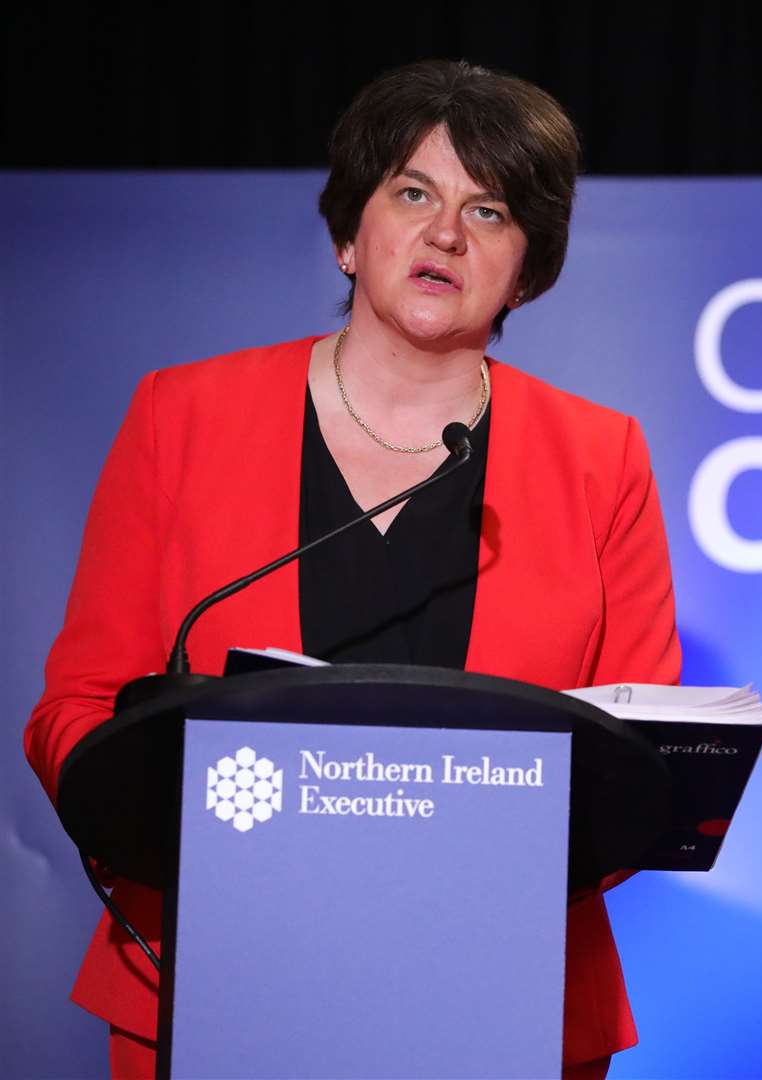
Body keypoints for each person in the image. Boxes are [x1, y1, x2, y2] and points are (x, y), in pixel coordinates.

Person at [23, 60, 680, 1079]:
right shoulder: (181, 418)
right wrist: (163, 811)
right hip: (211, 979)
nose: (446, 233)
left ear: (528, 268)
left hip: (498, 996)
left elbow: (642, 754)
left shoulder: (601, 458)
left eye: (491, 210)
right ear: (348, 232)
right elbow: (75, 707)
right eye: (412, 192)